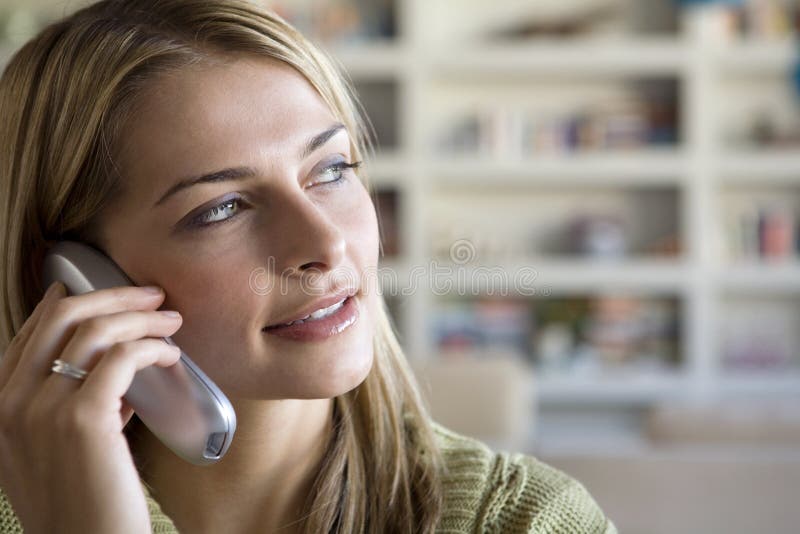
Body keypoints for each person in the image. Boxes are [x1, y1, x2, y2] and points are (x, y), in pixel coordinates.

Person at [0, 1, 617, 532]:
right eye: (222, 208)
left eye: (331, 170)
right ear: (72, 277)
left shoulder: (527, 519)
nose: (326, 243)